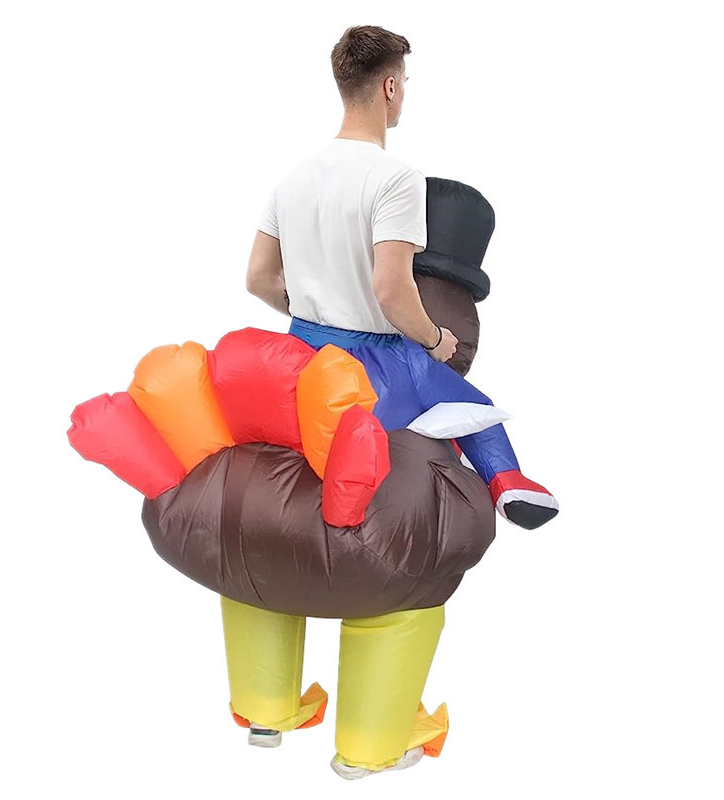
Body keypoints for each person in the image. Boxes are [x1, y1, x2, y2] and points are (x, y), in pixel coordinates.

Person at [234, 24, 553, 779]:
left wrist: (309, 312)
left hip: (297, 361)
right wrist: (435, 339)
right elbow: (389, 288)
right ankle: (511, 482)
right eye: (403, 82)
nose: (404, 94)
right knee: (471, 400)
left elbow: (256, 280)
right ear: (387, 87)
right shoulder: (395, 178)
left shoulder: (293, 177)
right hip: (374, 363)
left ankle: (267, 711)